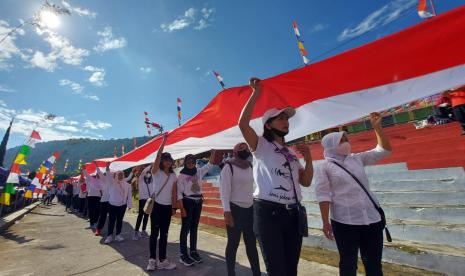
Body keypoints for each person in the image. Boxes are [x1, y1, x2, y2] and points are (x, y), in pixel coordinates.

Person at [238, 77, 314, 276]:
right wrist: (256, 93)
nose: (285, 121)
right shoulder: (260, 145)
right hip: (268, 213)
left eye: (287, 118)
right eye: (280, 118)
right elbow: (243, 124)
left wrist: (308, 159)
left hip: (293, 214)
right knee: (277, 270)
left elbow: (305, 182)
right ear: (268, 125)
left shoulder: (290, 153)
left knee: (291, 269)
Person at [315, 112, 392, 276]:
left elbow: (384, 150)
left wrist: (377, 128)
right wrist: (325, 222)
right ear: (331, 145)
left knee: (373, 264)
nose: (346, 143)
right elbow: (323, 195)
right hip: (345, 222)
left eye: (346, 140)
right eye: (341, 141)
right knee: (348, 264)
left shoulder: (356, 159)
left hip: (372, 219)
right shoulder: (324, 167)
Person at [220, 142, 261, 276]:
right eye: (241, 148)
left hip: (249, 210)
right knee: (233, 244)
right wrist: (227, 212)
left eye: (246, 148)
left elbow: (251, 188)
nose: (244, 150)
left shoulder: (249, 166)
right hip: (234, 210)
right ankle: (231, 273)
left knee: (251, 245)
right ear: (235, 151)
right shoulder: (228, 167)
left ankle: (257, 273)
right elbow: (224, 192)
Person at [177, 151, 215, 266]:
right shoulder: (182, 175)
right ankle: (183, 254)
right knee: (186, 229)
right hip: (188, 202)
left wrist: (213, 151)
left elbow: (209, 164)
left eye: (192, 162)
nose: (190, 164)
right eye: (188, 162)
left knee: (194, 228)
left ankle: (193, 251)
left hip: (198, 202)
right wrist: (182, 209)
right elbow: (179, 193)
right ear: (185, 163)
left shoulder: (198, 172)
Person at [146, 134, 178, 271]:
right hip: (157, 206)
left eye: (169, 160)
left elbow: (174, 193)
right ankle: (152, 260)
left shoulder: (173, 175)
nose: (167, 162)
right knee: (154, 234)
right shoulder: (156, 172)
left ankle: (163, 260)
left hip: (167, 208)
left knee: (164, 234)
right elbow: (157, 157)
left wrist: (174, 207)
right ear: (161, 161)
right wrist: (164, 141)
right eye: (165, 159)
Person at [104, 171, 132, 244]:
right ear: (115, 175)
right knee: (111, 221)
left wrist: (129, 205)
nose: (120, 176)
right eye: (118, 174)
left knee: (119, 221)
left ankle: (118, 235)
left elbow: (129, 196)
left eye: (122, 174)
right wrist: (107, 169)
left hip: (122, 205)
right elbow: (109, 176)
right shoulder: (112, 183)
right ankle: (109, 236)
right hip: (112, 205)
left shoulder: (127, 185)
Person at [133, 165, 151, 240]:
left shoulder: (151, 181)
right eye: (147, 173)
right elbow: (144, 171)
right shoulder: (140, 179)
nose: (148, 174)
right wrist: (151, 164)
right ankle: (136, 232)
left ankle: (143, 231)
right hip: (142, 199)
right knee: (141, 215)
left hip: (149, 199)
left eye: (149, 173)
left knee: (146, 215)